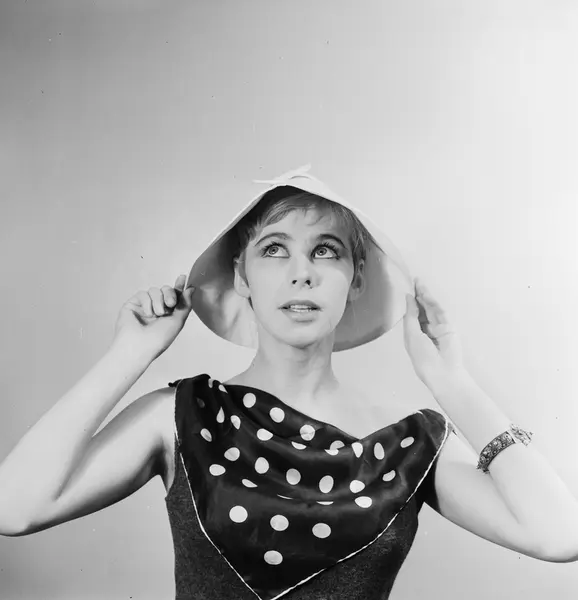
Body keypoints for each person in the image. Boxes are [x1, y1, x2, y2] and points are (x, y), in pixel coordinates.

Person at [1, 165, 577, 600]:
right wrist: (128, 355)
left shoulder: (411, 444)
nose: (302, 272)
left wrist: (452, 382)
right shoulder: (180, 415)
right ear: (242, 277)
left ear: (354, 280)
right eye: (275, 250)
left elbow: (561, 536)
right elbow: (13, 509)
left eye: (325, 251)